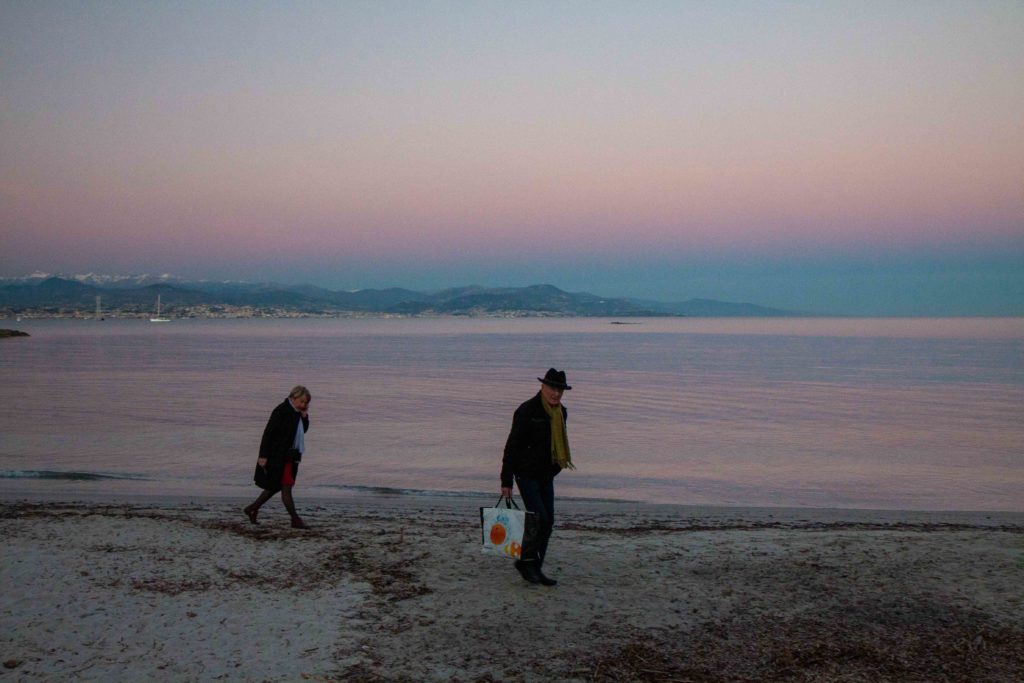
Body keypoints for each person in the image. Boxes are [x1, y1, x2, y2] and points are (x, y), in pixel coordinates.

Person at [501, 368, 575, 586]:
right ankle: (526, 562)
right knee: (539, 518)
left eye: (560, 390)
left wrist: (554, 469)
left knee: (548, 521)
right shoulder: (527, 411)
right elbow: (512, 446)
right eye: (553, 388)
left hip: (546, 475)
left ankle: (534, 567)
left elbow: (557, 446)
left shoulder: (562, 413)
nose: (556, 394)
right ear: (542, 387)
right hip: (525, 474)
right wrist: (506, 480)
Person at [244, 385, 311, 529]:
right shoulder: (281, 410)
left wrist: (305, 417)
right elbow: (268, 433)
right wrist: (263, 455)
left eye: (306, 402)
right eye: (302, 401)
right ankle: (295, 519)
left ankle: (252, 508)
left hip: (291, 456)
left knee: (275, 486)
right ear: (293, 398)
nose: (304, 405)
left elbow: (302, 430)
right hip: (278, 456)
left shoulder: (298, 413)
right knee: (286, 486)